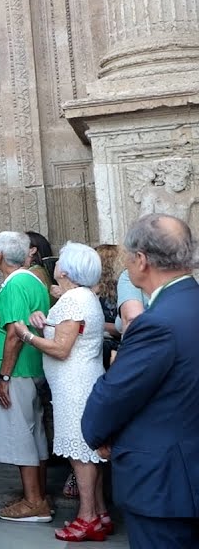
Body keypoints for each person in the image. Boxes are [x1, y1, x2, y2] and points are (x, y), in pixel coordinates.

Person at [83, 214, 199, 548]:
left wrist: (99, 433)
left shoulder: (156, 323)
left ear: (142, 260)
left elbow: (112, 397)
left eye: (128, 258)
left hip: (165, 483)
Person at [8, 243, 108, 541]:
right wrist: (45, 322)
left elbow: (62, 349)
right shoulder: (83, 296)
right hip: (82, 381)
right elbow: (69, 332)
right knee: (89, 453)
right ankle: (100, 513)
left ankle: (87, 517)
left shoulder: (73, 299)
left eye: (61, 260)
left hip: (74, 386)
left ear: (67, 270)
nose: (56, 264)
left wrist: (26, 334)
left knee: (81, 456)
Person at [0, 230, 53, 523]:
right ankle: (38, 494)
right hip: (34, 366)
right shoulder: (34, 280)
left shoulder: (13, 285)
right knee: (34, 431)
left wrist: (4, 377)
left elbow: (15, 333)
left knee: (19, 432)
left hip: (16, 369)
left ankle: (34, 502)